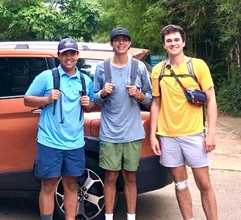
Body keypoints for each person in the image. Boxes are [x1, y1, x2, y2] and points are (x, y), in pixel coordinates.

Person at [149, 24, 218, 220]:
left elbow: (211, 99)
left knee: (204, 183)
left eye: (176, 40)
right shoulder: (158, 70)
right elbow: (156, 102)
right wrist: (154, 134)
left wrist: (211, 133)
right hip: (169, 137)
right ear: (164, 45)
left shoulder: (197, 66)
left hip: (194, 133)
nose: (173, 43)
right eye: (169, 41)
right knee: (180, 184)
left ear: (183, 42)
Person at [24, 37, 95, 220]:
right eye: (65, 54)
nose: (69, 57)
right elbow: (27, 99)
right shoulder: (47, 77)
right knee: (48, 186)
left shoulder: (85, 80)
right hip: (49, 143)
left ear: (78, 55)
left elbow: (92, 105)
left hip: (75, 143)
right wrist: (46, 100)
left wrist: (89, 104)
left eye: (72, 53)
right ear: (58, 56)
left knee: (71, 186)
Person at [93, 27, 153, 220]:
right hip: (109, 133)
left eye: (124, 40)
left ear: (129, 43)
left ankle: (131, 216)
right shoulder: (102, 68)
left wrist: (139, 94)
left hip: (133, 133)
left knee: (130, 177)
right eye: (117, 40)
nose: (121, 43)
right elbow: (94, 100)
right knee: (110, 177)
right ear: (111, 44)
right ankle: (108, 216)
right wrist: (102, 93)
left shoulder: (139, 67)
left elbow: (151, 100)